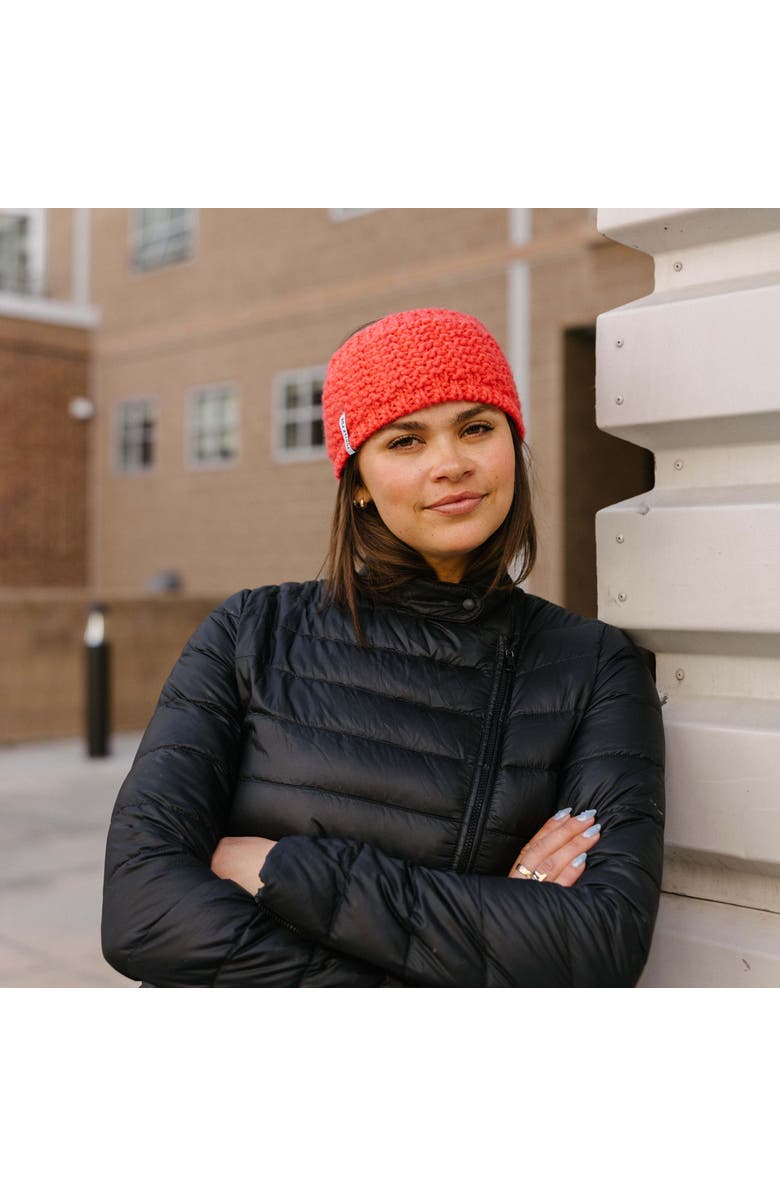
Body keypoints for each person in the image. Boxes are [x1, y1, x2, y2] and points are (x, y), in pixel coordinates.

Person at [101, 307, 665, 987]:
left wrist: (288, 873)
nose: (451, 464)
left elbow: (600, 944)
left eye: (477, 428)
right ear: (359, 481)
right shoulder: (251, 632)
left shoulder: (591, 665)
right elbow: (143, 912)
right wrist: (471, 947)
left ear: (511, 446)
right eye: (405, 441)